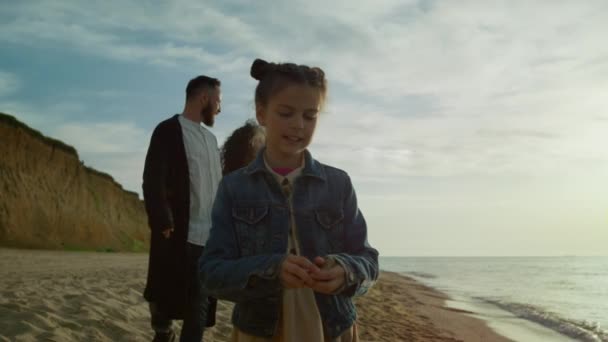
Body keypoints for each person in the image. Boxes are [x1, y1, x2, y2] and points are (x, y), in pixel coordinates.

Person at [199, 59, 379, 341]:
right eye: (285, 113)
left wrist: (345, 271)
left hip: (333, 328)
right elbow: (212, 273)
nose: (298, 125)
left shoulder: (338, 184)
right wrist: (272, 270)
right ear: (261, 113)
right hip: (259, 330)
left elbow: (368, 261)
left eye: (310, 116)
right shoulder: (234, 188)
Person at [142, 75, 222, 342]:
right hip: (177, 233)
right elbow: (153, 177)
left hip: (207, 239)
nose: (219, 108)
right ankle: (163, 335)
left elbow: (218, 187)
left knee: (197, 308)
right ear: (204, 98)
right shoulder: (167, 130)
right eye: (218, 100)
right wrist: (162, 219)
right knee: (164, 297)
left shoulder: (212, 141)